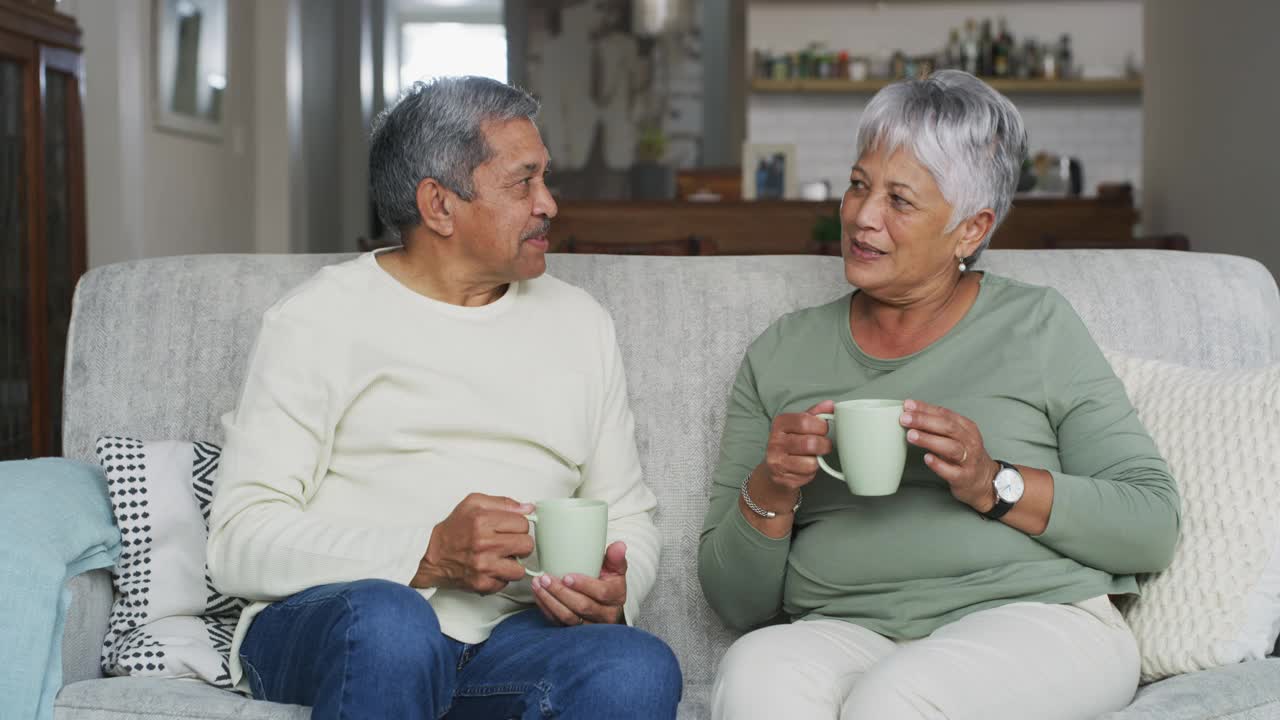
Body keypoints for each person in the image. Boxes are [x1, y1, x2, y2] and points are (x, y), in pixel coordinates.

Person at [698, 70, 1178, 720]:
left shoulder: (1036, 326)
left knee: (892, 702)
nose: (862, 217)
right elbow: (737, 603)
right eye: (859, 185)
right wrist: (774, 488)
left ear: (970, 231)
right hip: (845, 629)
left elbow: (1150, 524)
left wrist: (992, 483)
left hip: (1033, 622)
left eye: (900, 200)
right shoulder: (781, 353)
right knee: (754, 675)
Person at [208, 76, 681, 720]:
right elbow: (239, 541)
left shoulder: (582, 323)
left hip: (512, 641)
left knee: (637, 666)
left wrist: (615, 592)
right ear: (439, 205)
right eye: (523, 182)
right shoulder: (318, 318)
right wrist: (426, 554)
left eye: (546, 179)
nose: (549, 203)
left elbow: (626, 513)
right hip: (345, 622)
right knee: (390, 623)